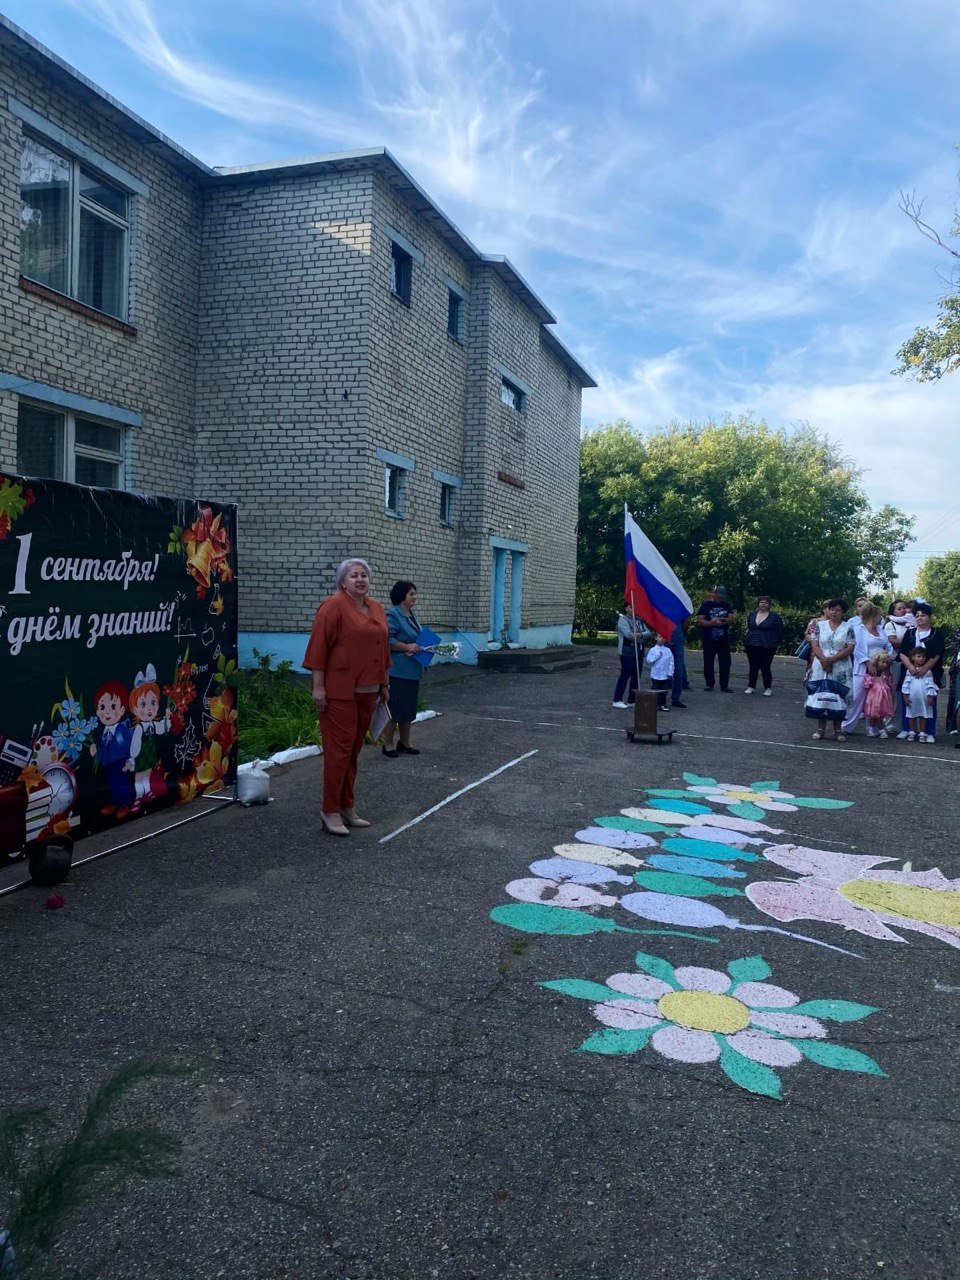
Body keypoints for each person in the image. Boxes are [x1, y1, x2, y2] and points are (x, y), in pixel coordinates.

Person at [303, 558, 390, 836]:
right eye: (354, 576)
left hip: (370, 690)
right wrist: (318, 687)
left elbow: (382, 648)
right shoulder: (333, 605)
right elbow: (319, 647)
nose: (360, 579)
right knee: (338, 754)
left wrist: (384, 683)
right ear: (343, 582)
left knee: (353, 752)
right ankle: (329, 810)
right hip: (339, 692)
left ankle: (346, 806)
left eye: (364, 575)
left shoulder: (376, 607)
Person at [382, 580, 426, 758]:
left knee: (408, 708)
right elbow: (386, 639)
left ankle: (405, 742)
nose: (415, 597)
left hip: (413, 669)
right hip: (398, 671)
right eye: (411, 594)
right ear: (402, 596)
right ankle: (388, 744)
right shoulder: (393, 615)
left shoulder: (411, 614)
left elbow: (416, 637)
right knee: (394, 708)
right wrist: (406, 646)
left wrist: (422, 646)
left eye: (415, 593)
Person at [805, 598, 855, 742]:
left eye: (838, 610)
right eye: (832, 609)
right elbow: (814, 644)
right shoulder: (820, 625)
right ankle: (820, 729)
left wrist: (832, 660)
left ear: (843, 612)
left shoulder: (848, 627)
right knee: (821, 694)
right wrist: (823, 660)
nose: (834, 612)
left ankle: (838, 730)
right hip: (820, 663)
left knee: (838, 696)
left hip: (841, 665)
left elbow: (850, 647)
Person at [841, 603, 894, 735]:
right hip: (862, 668)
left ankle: (874, 727)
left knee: (877, 698)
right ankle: (845, 726)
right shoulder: (858, 629)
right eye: (878, 615)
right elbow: (856, 648)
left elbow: (888, 645)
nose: (880, 618)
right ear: (872, 616)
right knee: (856, 698)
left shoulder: (881, 630)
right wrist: (868, 662)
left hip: (881, 668)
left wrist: (888, 657)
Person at [897, 603, 945, 742]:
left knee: (929, 701)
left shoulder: (936, 634)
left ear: (930, 617)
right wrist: (911, 668)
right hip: (909, 673)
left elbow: (937, 654)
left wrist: (925, 669)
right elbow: (902, 653)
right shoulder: (910, 633)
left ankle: (929, 732)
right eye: (917, 615)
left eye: (923, 615)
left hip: (930, 673)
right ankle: (907, 729)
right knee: (908, 700)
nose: (920, 618)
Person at [695, 586, 735, 692]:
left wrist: (723, 621)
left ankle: (724, 685)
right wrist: (711, 623)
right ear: (714, 595)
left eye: (722, 597)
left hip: (723, 639)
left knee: (725, 662)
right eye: (718, 597)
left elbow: (731, 619)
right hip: (709, 638)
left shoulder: (727, 605)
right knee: (708, 662)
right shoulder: (706, 605)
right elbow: (699, 620)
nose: (719, 599)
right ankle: (709, 684)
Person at [742, 595, 784, 695]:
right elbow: (749, 626)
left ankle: (768, 688)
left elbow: (780, 630)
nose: (763, 604)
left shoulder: (774, 617)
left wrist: (775, 641)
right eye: (761, 602)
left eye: (765, 603)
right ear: (758, 604)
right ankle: (751, 686)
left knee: (765, 666)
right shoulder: (752, 614)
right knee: (753, 666)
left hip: (768, 645)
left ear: (769, 605)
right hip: (751, 644)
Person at [612, 603, 650, 708]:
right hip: (627, 652)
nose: (632, 609)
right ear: (626, 608)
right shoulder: (623, 620)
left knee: (636, 676)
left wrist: (640, 635)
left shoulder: (639, 620)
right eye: (630, 607)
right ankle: (617, 699)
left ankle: (632, 700)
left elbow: (648, 632)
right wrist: (639, 636)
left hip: (639, 651)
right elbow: (628, 635)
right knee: (625, 674)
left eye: (634, 607)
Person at [902, 647, 939, 742]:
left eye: (923, 656)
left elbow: (930, 685)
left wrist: (930, 697)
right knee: (911, 715)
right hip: (912, 697)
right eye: (919, 656)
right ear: (913, 658)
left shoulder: (928, 672)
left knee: (924, 715)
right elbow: (906, 684)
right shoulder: (909, 671)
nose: (921, 658)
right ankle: (911, 732)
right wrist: (905, 696)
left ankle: (922, 733)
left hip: (924, 697)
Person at [862, 651, 895, 738]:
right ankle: (880, 730)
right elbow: (868, 682)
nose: (885, 664)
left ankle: (872, 729)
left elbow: (889, 682)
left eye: (886, 663)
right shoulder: (873, 672)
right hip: (875, 694)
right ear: (877, 661)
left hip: (883, 695)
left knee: (880, 712)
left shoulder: (886, 673)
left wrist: (890, 686)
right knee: (875, 713)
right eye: (883, 662)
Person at [645, 634, 675, 710]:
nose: (661, 639)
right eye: (660, 637)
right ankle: (655, 703)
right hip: (656, 674)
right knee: (656, 689)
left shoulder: (667, 650)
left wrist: (670, 672)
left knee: (664, 690)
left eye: (663, 637)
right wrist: (657, 656)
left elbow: (671, 662)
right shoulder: (653, 650)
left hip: (665, 675)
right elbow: (649, 660)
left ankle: (663, 704)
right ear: (656, 638)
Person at [668, 619, 689, 707]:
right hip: (665, 640)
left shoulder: (679, 607)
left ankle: (675, 699)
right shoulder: (662, 606)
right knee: (662, 670)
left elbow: (686, 621)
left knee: (679, 671)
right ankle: (660, 699)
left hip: (678, 640)